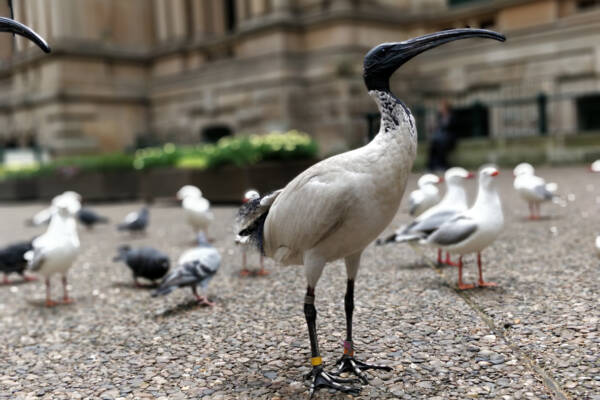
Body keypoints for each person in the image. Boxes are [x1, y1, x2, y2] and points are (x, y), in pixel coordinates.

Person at [427, 100, 457, 172]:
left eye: (441, 107)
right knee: (434, 145)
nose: (440, 109)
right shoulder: (440, 117)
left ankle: (442, 165)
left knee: (440, 145)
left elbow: (451, 129)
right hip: (440, 140)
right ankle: (432, 166)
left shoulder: (451, 117)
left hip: (449, 139)